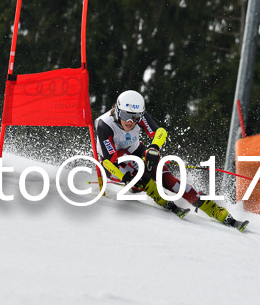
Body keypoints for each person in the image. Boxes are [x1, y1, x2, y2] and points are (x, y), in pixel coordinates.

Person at [94, 90, 248, 231]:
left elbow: (160, 132)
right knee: (137, 175)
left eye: (135, 117)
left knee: (169, 180)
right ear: (118, 110)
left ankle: (216, 210)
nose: (130, 122)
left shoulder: (138, 116)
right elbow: (109, 161)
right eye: (126, 116)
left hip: (136, 152)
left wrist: (154, 148)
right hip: (112, 165)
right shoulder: (104, 125)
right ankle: (157, 195)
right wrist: (125, 177)